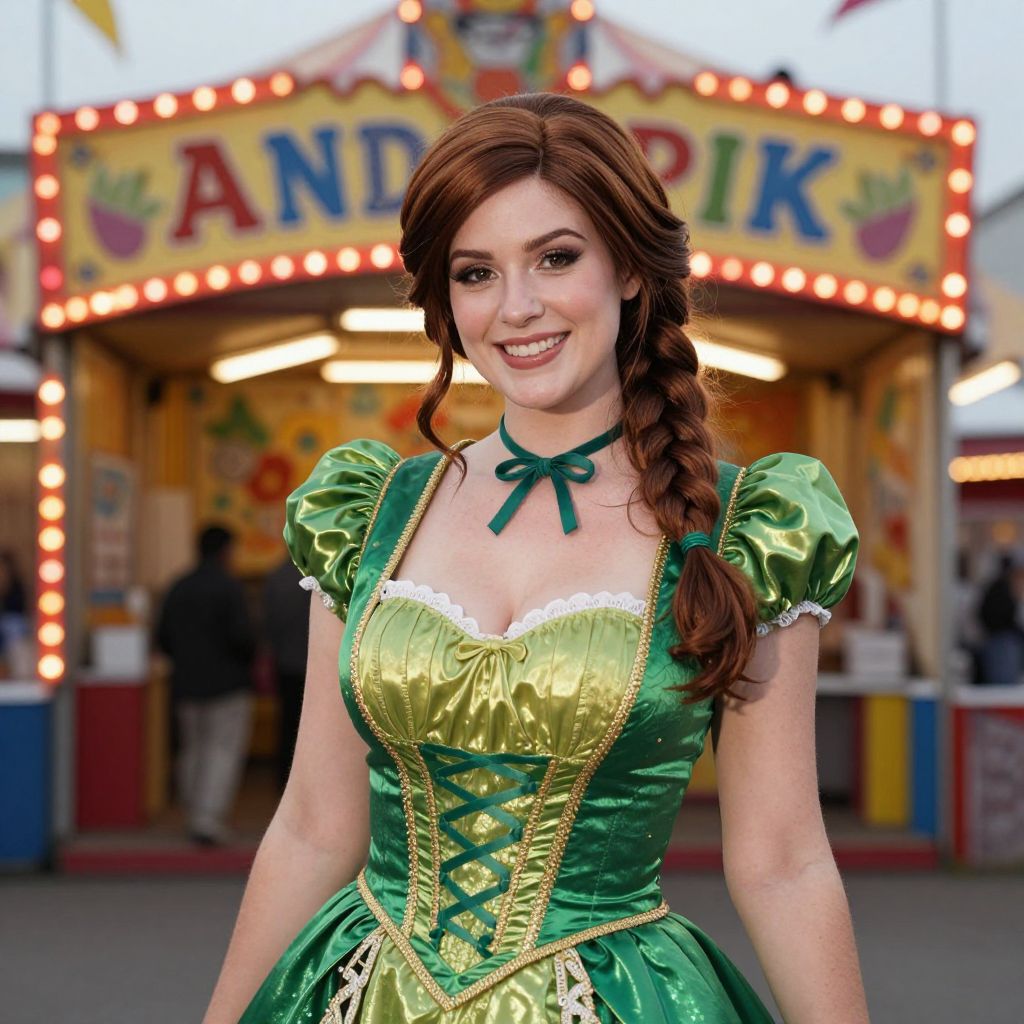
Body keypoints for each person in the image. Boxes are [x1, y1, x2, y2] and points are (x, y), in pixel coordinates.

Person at [204, 93, 867, 1023]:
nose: (516, 309)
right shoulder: (372, 514)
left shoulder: (750, 529)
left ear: (629, 269)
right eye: (475, 273)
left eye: (556, 258)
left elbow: (782, 860)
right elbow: (315, 827)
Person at [156, 524, 256, 846]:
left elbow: (162, 637)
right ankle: (208, 820)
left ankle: (192, 813)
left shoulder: (178, 586)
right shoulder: (229, 588)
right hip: (228, 684)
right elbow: (243, 637)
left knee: (192, 750)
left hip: (186, 683)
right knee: (222, 751)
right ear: (226, 550)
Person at [263, 555, 311, 789]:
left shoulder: (276, 577)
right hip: (313, 662)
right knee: (311, 726)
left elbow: (267, 625)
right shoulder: (320, 575)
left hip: (285, 662)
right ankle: (305, 782)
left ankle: (284, 778)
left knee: (286, 723)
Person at [977, 551, 1024, 686]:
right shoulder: (1002, 589)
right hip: (1002, 642)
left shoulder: (999, 587)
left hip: (1001, 640)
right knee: (1003, 685)